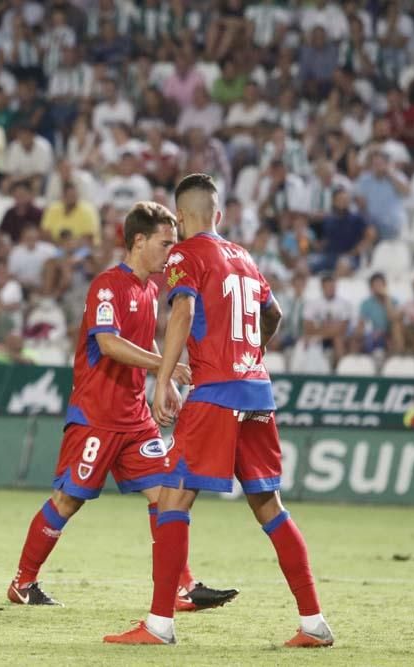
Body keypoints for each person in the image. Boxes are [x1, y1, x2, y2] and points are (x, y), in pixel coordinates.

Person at [104, 174, 333, 647]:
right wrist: (252, 355)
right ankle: (314, 623)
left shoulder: (185, 254)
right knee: (270, 506)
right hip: (257, 392)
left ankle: (159, 625)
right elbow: (275, 316)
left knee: (172, 499)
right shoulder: (245, 258)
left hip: (215, 394)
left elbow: (183, 313)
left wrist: (163, 378)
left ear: (182, 219)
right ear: (220, 216)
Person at [8, 201, 236, 611]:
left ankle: (182, 588)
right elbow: (109, 344)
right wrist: (165, 366)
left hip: (135, 419)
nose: (172, 252)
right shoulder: (108, 285)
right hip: (96, 416)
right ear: (139, 241)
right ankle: (23, 583)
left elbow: (142, 341)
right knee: (67, 500)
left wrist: (161, 382)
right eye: (165, 243)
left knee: (167, 494)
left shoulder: (150, 290)